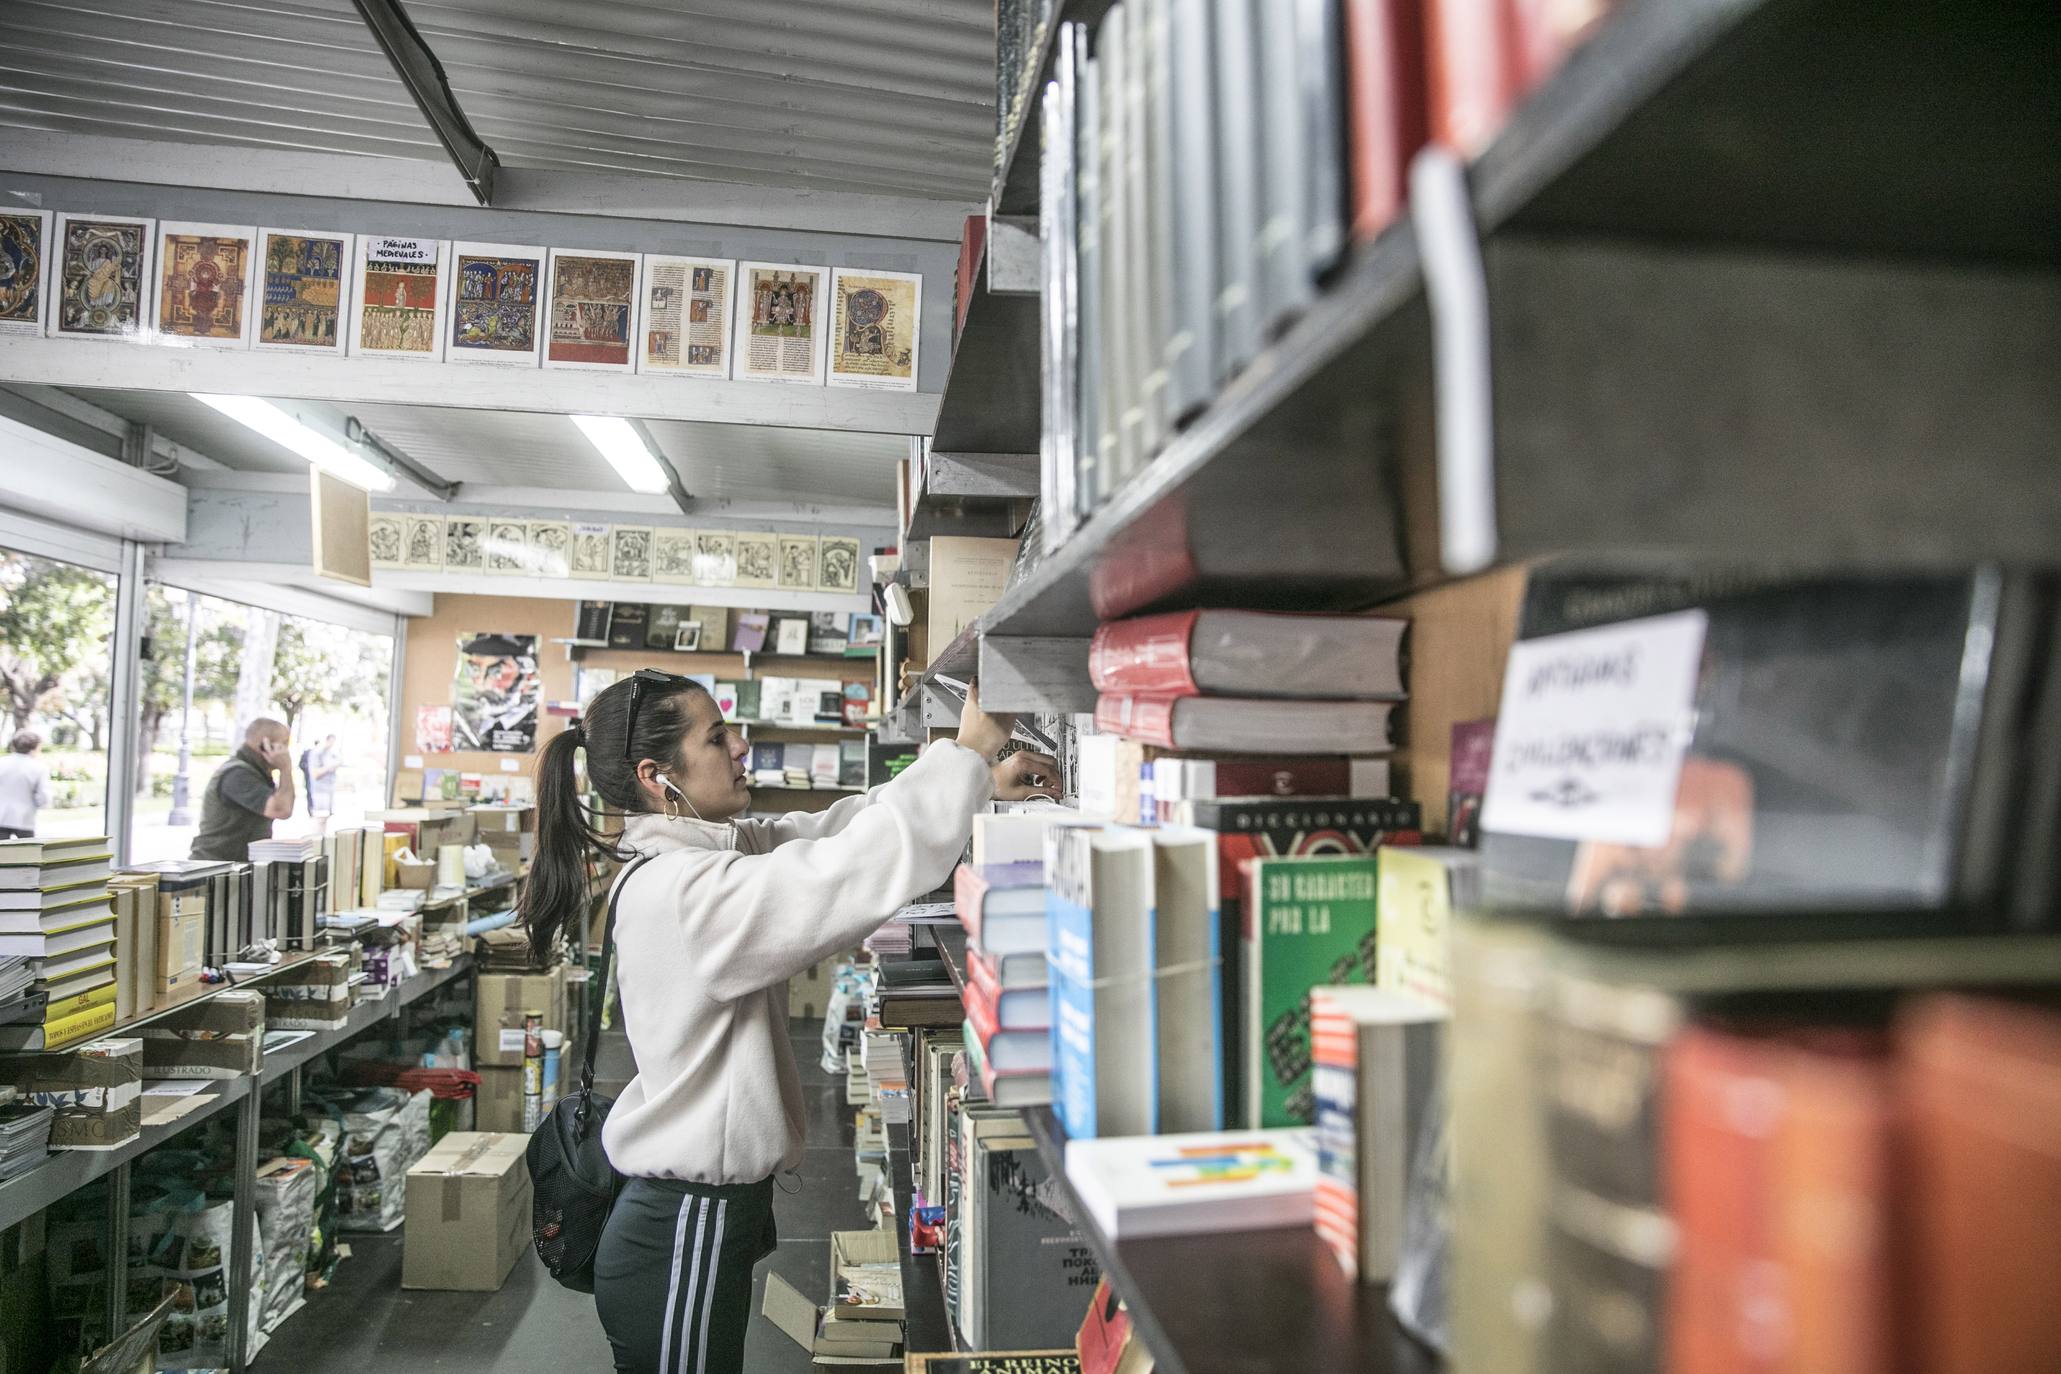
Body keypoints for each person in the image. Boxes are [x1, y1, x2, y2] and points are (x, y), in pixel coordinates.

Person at [518, 669, 1058, 1374]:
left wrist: (976, 777)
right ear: (658, 776)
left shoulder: (696, 855)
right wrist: (965, 752)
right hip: (681, 1223)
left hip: (694, 1216)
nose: (740, 747)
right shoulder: (686, 891)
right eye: (716, 738)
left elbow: (831, 831)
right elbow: (842, 874)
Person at [190, 718, 296, 862]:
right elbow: (282, 809)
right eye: (283, 744)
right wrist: (285, 769)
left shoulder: (254, 771)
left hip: (230, 866)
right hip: (216, 866)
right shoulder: (237, 774)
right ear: (266, 745)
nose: (286, 751)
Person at [0, 732, 51, 839]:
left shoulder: (2, 762)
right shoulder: (39, 767)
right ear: (36, 747)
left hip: (1, 817)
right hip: (24, 818)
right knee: (27, 853)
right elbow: (43, 796)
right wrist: (41, 805)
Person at [308, 735, 340, 823]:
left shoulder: (331, 753)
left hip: (329, 789)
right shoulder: (317, 753)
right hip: (320, 791)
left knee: (326, 819)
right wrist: (329, 767)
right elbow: (315, 774)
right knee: (320, 819)